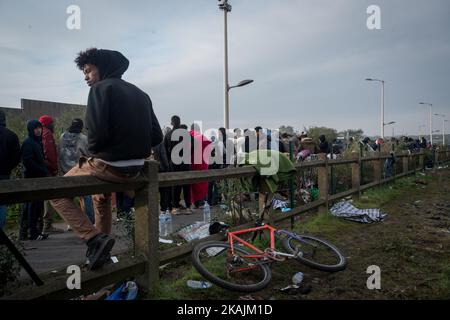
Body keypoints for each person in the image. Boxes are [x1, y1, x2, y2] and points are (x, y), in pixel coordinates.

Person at [50, 48, 163, 270]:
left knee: (56, 192)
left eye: (88, 70)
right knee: (101, 199)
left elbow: (97, 135)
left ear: (103, 67)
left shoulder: (101, 89)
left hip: (108, 166)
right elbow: (157, 136)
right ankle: (101, 251)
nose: (85, 77)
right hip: (135, 169)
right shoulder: (141, 94)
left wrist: (95, 151)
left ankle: (93, 238)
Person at [59, 119, 95, 225]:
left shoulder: (62, 137)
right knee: (86, 196)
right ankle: (90, 220)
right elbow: (89, 154)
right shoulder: (83, 138)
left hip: (66, 171)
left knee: (68, 198)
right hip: (80, 170)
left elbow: (59, 153)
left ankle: (71, 222)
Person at [20, 120, 49, 240]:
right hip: (31, 179)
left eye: (40, 128)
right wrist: (43, 171)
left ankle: (34, 231)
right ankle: (28, 232)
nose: (38, 130)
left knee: (36, 206)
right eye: (36, 128)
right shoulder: (28, 143)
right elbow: (28, 161)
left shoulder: (38, 142)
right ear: (31, 129)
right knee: (30, 207)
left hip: (39, 179)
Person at [164, 117, 193, 214]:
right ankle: (188, 206)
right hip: (185, 162)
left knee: (175, 186)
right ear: (180, 122)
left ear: (171, 123)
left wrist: (169, 160)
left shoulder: (168, 135)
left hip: (174, 163)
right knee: (186, 186)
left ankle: (175, 207)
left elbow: (165, 150)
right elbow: (193, 147)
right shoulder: (187, 134)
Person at [38, 115, 61, 233]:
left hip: (42, 169)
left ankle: (41, 224)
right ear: (47, 123)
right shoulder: (47, 134)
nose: (54, 125)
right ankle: (47, 225)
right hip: (49, 170)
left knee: (42, 197)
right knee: (49, 197)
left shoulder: (39, 132)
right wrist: (54, 167)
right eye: (52, 122)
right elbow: (50, 153)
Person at [0, 110, 21, 229]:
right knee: (2, 204)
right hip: (4, 174)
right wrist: (8, 167)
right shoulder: (11, 135)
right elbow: (17, 157)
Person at [190, 123, 212, 208]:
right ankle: (201, 202)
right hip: (202, 164)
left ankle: (193, 202)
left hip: (191, 164)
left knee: (192, 184)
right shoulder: (203, 137)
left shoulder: (189, 136)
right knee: (202, 183)